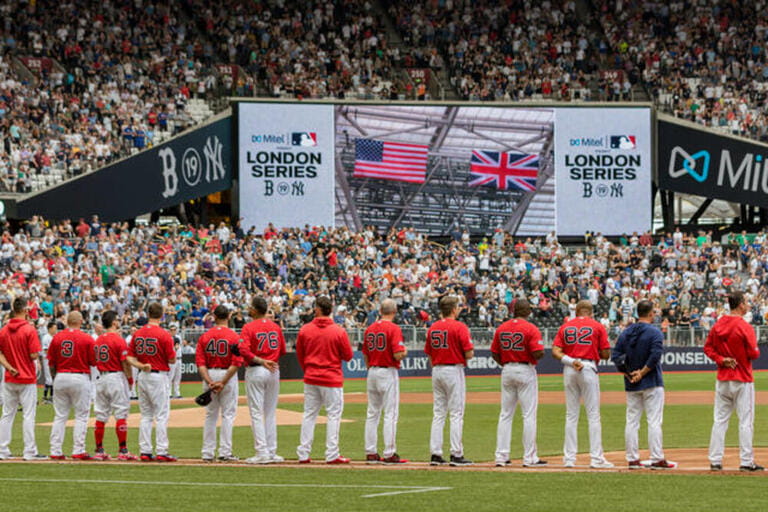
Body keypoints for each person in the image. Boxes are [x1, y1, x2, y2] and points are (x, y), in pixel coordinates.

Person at [612, 299, 676, 469]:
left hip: (631, 382)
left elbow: (616, 355)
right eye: (654, 312)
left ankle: (632, 459)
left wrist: (628, 373)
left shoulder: (626, 332)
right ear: (650, 314)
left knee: (632, 421)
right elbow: (655, 356)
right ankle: (657, 458)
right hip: (651, 381)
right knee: (654, 421)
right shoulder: (654, 332)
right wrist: (642, 372)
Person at [704, 291, 763, 471]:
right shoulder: (745, 326)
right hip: (742, 377)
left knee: (720, 420)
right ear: (740, 305)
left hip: (723, 378)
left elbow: (708, 348)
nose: (748, 305)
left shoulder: (718, 324)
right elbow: (754, 353)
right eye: (746, 302)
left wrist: (722, 360)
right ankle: (746, 461)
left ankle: (715, 459)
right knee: (745, 421)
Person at [552, 300, 613, 469]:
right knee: (593, 415)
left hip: (570, 367)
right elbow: (606, 353)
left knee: (571, 415)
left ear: (576, 311)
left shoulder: (566, 326)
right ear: (591, 312)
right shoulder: (597, 326)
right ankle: (596, 458)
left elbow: (556, 351)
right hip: (588, 366)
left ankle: (569, 459)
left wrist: (571, 361)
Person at [296, 296, 353, 464]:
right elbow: (348, 356)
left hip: (312, 376)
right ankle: (332, 453)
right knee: (334, 415)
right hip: (331, 378)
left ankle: (303, 453)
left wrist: (307, 369)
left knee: (309, 415)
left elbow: (300, 354)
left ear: (317, 309)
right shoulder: (338, 331)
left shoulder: (305, 330)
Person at [491, 299, 546, 468]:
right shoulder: (530, 328)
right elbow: (538, 353)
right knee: (528, 414)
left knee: (505, 414)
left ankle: (501, 455)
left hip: (507, 368)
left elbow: (494, 353)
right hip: (524, 368)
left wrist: (506, 362)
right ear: (528, 311)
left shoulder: (502, 328)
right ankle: (529, 457)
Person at [93, 310, 148, 461]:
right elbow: (125, 362)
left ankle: (99, 450)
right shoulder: (118, 339)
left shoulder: (97, 340)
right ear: (114, 322)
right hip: (115, 376)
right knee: (121, 413)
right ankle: (123, 450)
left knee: (101, 414)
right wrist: (130, 380)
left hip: (101, 377)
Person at [425, 295, 474, 466]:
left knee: (438, 413)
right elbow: (469, 353)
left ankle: (436, 453)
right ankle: (456, 453)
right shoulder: (459, 327)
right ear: (454, 309)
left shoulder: (433, 327)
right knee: (456, 413)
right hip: (453, 369)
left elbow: (429, 353)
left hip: (437, 369)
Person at [127, 303, 177, 462]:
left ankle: (145, 450)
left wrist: (141, 365)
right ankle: (162, 450)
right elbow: (172, 358)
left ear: (148, 314)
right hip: (158, 374)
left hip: (143, 374)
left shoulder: (138, 333)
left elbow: (129, 357)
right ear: (161, 315)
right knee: (162, 415)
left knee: (146, 415)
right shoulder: (163, 334)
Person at [239, 297, 286, 464]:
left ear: (255, 310)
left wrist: (261, 360)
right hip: (274, 369)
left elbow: (243, 350)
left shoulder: (248, 327)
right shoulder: (275, 326)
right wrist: (269, 359)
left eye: (251, 307)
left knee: (257, 413)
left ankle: (262, 453)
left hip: (257, 369)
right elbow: (282, 350)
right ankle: (272, 451)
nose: (249, 309)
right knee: (270, 412)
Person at [362, 299, 408, 464]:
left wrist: (371, 367)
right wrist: (405, 352)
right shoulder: (394, 328)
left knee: (372, 413)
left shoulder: (370, 328)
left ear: (380, 311)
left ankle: (371, 451)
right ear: (394, 312)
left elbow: (365, 354)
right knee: (390, 413)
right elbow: (397, 354)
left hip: (372, 370)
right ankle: (389, 452)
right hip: (387, 371)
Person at [0, 298, 46, 460]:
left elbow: (0, 354)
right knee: (28, 415)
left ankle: (2, 450)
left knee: (7, 414)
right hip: (26, 377)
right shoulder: (29, 329)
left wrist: (9, 367)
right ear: (25, 310)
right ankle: (29, 451)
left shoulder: (4, 329)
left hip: (9, 377)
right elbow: (34, 354)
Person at [196, 305, 242, 462]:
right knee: (228, 415)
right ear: (229, 316)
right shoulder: (234, 336)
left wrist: (209, 381)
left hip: (209, 373)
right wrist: (222, 382)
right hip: (227, 374)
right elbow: (236, 363)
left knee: (210, 415)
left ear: (214, 317)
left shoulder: (205, 336)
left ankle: (207, 453)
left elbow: (200, 363)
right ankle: (225, 452)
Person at [48, 311, 96, 460]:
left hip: (61, 375)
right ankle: (78, 449)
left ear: (67, 321)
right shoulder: (87, 338)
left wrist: (56, 377)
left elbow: (51, 363)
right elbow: (93, 361)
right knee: (81, 416)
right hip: (79, 376)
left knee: (60, 416)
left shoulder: (57, 337)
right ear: (81, 321)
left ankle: (55, 450)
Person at [40, 321, 56, 404]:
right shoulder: (46, 337)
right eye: (54, 328)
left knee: (51, 378)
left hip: (50, 359)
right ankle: (46, 397)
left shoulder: (52, 337)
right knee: (49, 378)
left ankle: (50, 397)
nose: (55, 330)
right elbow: (46, 350)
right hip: (47, 360)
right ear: (49, 328)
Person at [169, 325, 183, 398]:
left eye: (174, 330)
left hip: (179, 358)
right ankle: (169, 393)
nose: (173, 331)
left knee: (178, 377)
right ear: (169, 331)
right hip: (172, 359)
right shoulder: (168, 338)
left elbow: (179, 346)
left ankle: (177, 393)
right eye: (171, 330)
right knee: (170, 376)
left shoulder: (178, 337)